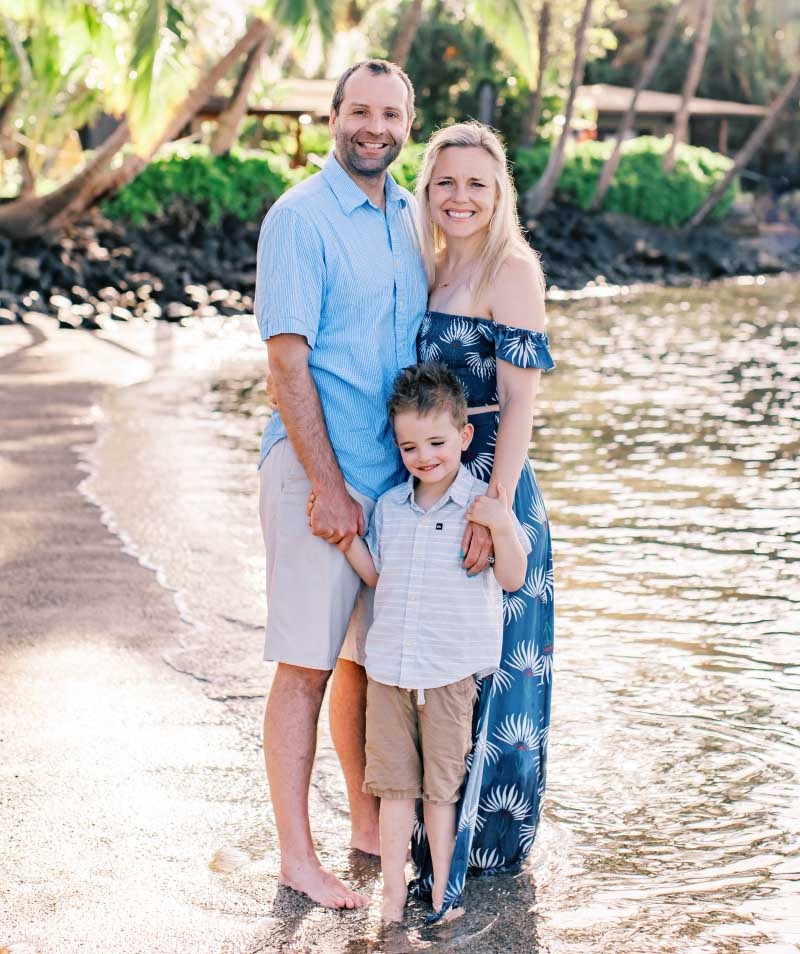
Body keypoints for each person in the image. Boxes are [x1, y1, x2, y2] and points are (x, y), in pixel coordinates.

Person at [254, 59, 429, 909]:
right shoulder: (301, 217)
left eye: (390, 114)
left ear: (407, 123)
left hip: (389, 489)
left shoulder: (407, 215)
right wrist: (326, 484)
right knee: (305, 666)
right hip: (317, 477)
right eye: (359, 110)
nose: (374, 126)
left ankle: (366, 825)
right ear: (333, 118)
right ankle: (297, 855)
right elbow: (286, 360)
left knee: (363, 662)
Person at [308, 363, 530, 922]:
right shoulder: (390, 507)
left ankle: (442, 892)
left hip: (451, 671)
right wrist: (343, 538)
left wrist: (501, 525)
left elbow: (513, 579)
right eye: (410, 446)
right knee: (393, 785)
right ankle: (391, 890)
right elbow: (379, 576)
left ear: (464, 436)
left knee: (441, 789)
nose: (424, 456)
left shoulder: (481, 508)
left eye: (436, 441)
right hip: (389, 669)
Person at [410, 121, 555, 920]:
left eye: (477, 184)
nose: (460, 198)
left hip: (492, 487)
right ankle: (430, 832)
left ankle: (488, 850)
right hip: (436, 488)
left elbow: (522, 401)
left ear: (499, 194)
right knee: (444, 664)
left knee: (499, 664)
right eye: (445, 183)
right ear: (428, 190)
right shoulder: (434, 265)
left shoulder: (512, 269)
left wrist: (493, 508)